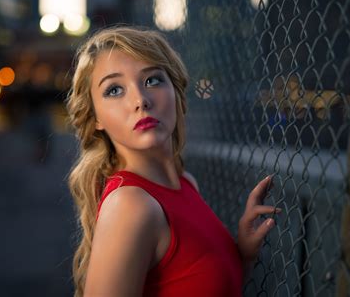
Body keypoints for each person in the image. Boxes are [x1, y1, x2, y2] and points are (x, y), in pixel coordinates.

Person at [66, 26, 280, 297]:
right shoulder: (131, 205)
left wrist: (242, 256)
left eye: (152, 81)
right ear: (96, 117)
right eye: (115, 89)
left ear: (176, 91)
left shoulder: (185, 182)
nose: (140, 100)